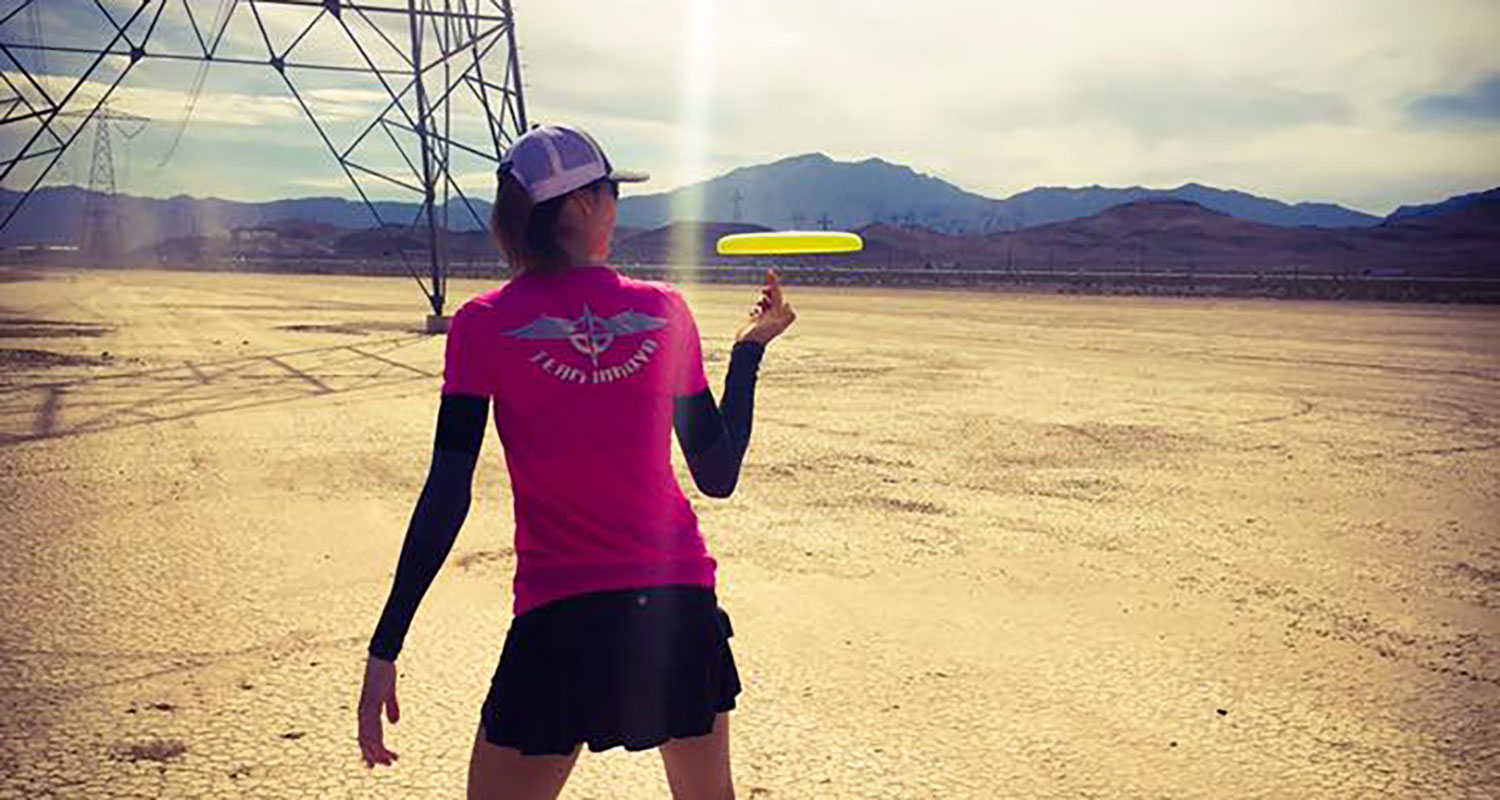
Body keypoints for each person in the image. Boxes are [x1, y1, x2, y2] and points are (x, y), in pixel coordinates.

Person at [355, 123, 796, 800]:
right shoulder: (663, 311)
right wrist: (749, 352)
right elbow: (719, 474)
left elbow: (447, 492)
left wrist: (386, 645)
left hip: (561, 615)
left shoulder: (483, 324)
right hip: (674, 605)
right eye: (612, 192)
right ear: (582, 203)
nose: (618, 206)